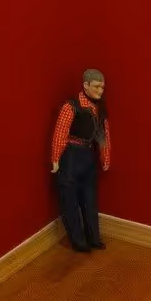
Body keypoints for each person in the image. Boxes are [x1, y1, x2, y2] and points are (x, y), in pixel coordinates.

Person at [50, 68, 110, 252]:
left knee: (90, 198)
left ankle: (93, 236)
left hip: (87, 155)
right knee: (70, 200)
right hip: (71, 156)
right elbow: (60, 133)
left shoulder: (99, 108)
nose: (100, 91)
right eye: (96, 87)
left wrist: (105, 157)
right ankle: (78, 240)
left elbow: (103, 134)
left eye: (102, 87)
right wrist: (55, 158)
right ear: (85, 85)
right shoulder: (71, 107)